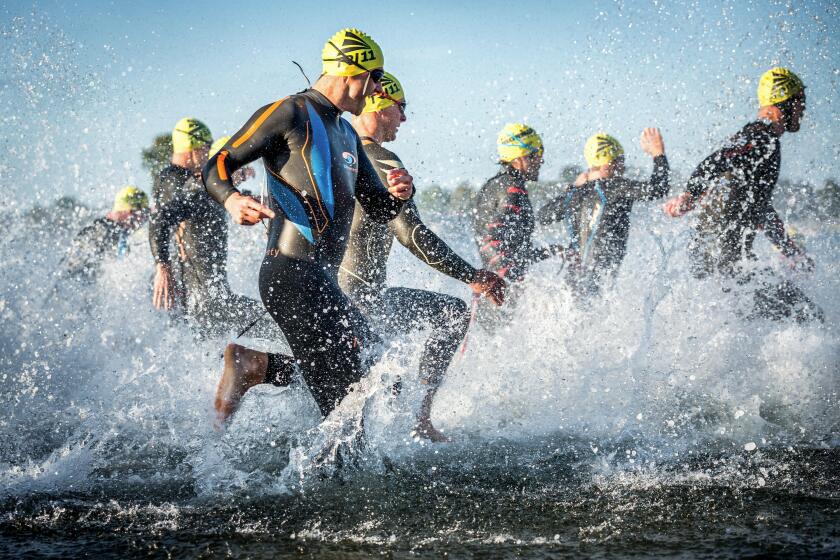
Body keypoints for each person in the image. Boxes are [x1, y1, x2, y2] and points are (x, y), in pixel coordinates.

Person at [202, 28, 413, 424]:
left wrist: (401, 194)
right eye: (375, 80)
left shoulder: (346, 133)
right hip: (291, 274)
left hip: (323, 281)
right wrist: (232, 199)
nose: (375, 92)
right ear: (352, 72)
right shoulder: (290, 112)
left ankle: (256, 367)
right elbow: (217, 163)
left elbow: (380, 208)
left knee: (380, 372)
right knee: (349, 397)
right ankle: (336, 479)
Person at [338, 71, 506, 441]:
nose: (404, 118)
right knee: (450, 314)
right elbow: (412, 234)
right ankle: (421, 421)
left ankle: (255, 364)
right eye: (401, 108)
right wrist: (474, 275)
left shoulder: (341, 151)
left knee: (354, 377)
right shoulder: (381, 160)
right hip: (362, 301)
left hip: (331, 292)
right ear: (380, 107)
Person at [663, 67, 822, 323]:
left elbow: (757, 206)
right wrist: (689, 196)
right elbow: (716, 160)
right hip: (724, 266)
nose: (803, 110)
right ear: (785, 101)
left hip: (717, 264)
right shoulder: (761, 137)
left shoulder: (763, 139)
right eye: (801, 102)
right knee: (809, 316)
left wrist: (788, 249)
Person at [149, 126, 279, 338]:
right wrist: (162, 266)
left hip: (210, 302)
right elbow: (160, 218)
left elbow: (250, 199)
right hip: (208, 304)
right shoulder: (200, 190)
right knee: (280, 326)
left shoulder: (216, 195)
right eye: (241, 170)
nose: (245, 176)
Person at [538, 130, 670, 297]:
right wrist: (658, 153)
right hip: (599, 281)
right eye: (620, 161)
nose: (623, 167)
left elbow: (542, 217)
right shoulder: (616, 186)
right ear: (608, 163)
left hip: (574, 281)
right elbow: (659, 188)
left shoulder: (574, 194)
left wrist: (573, 188)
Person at [472, 124, 564, 326]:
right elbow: (489, 241)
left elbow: (514, 249)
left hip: (495, 290)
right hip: (499, 294)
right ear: (519, 157)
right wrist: (512, 279)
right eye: (535, 154)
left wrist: (553, 251)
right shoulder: (512, 189)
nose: (540, 160)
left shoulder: (499, 184)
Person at [62, 186, 149, 281]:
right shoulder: (98, 232)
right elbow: (72, 269)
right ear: (126, 210)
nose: (141, 219)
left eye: (145, 214)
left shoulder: (121, 232)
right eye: (140, 213)